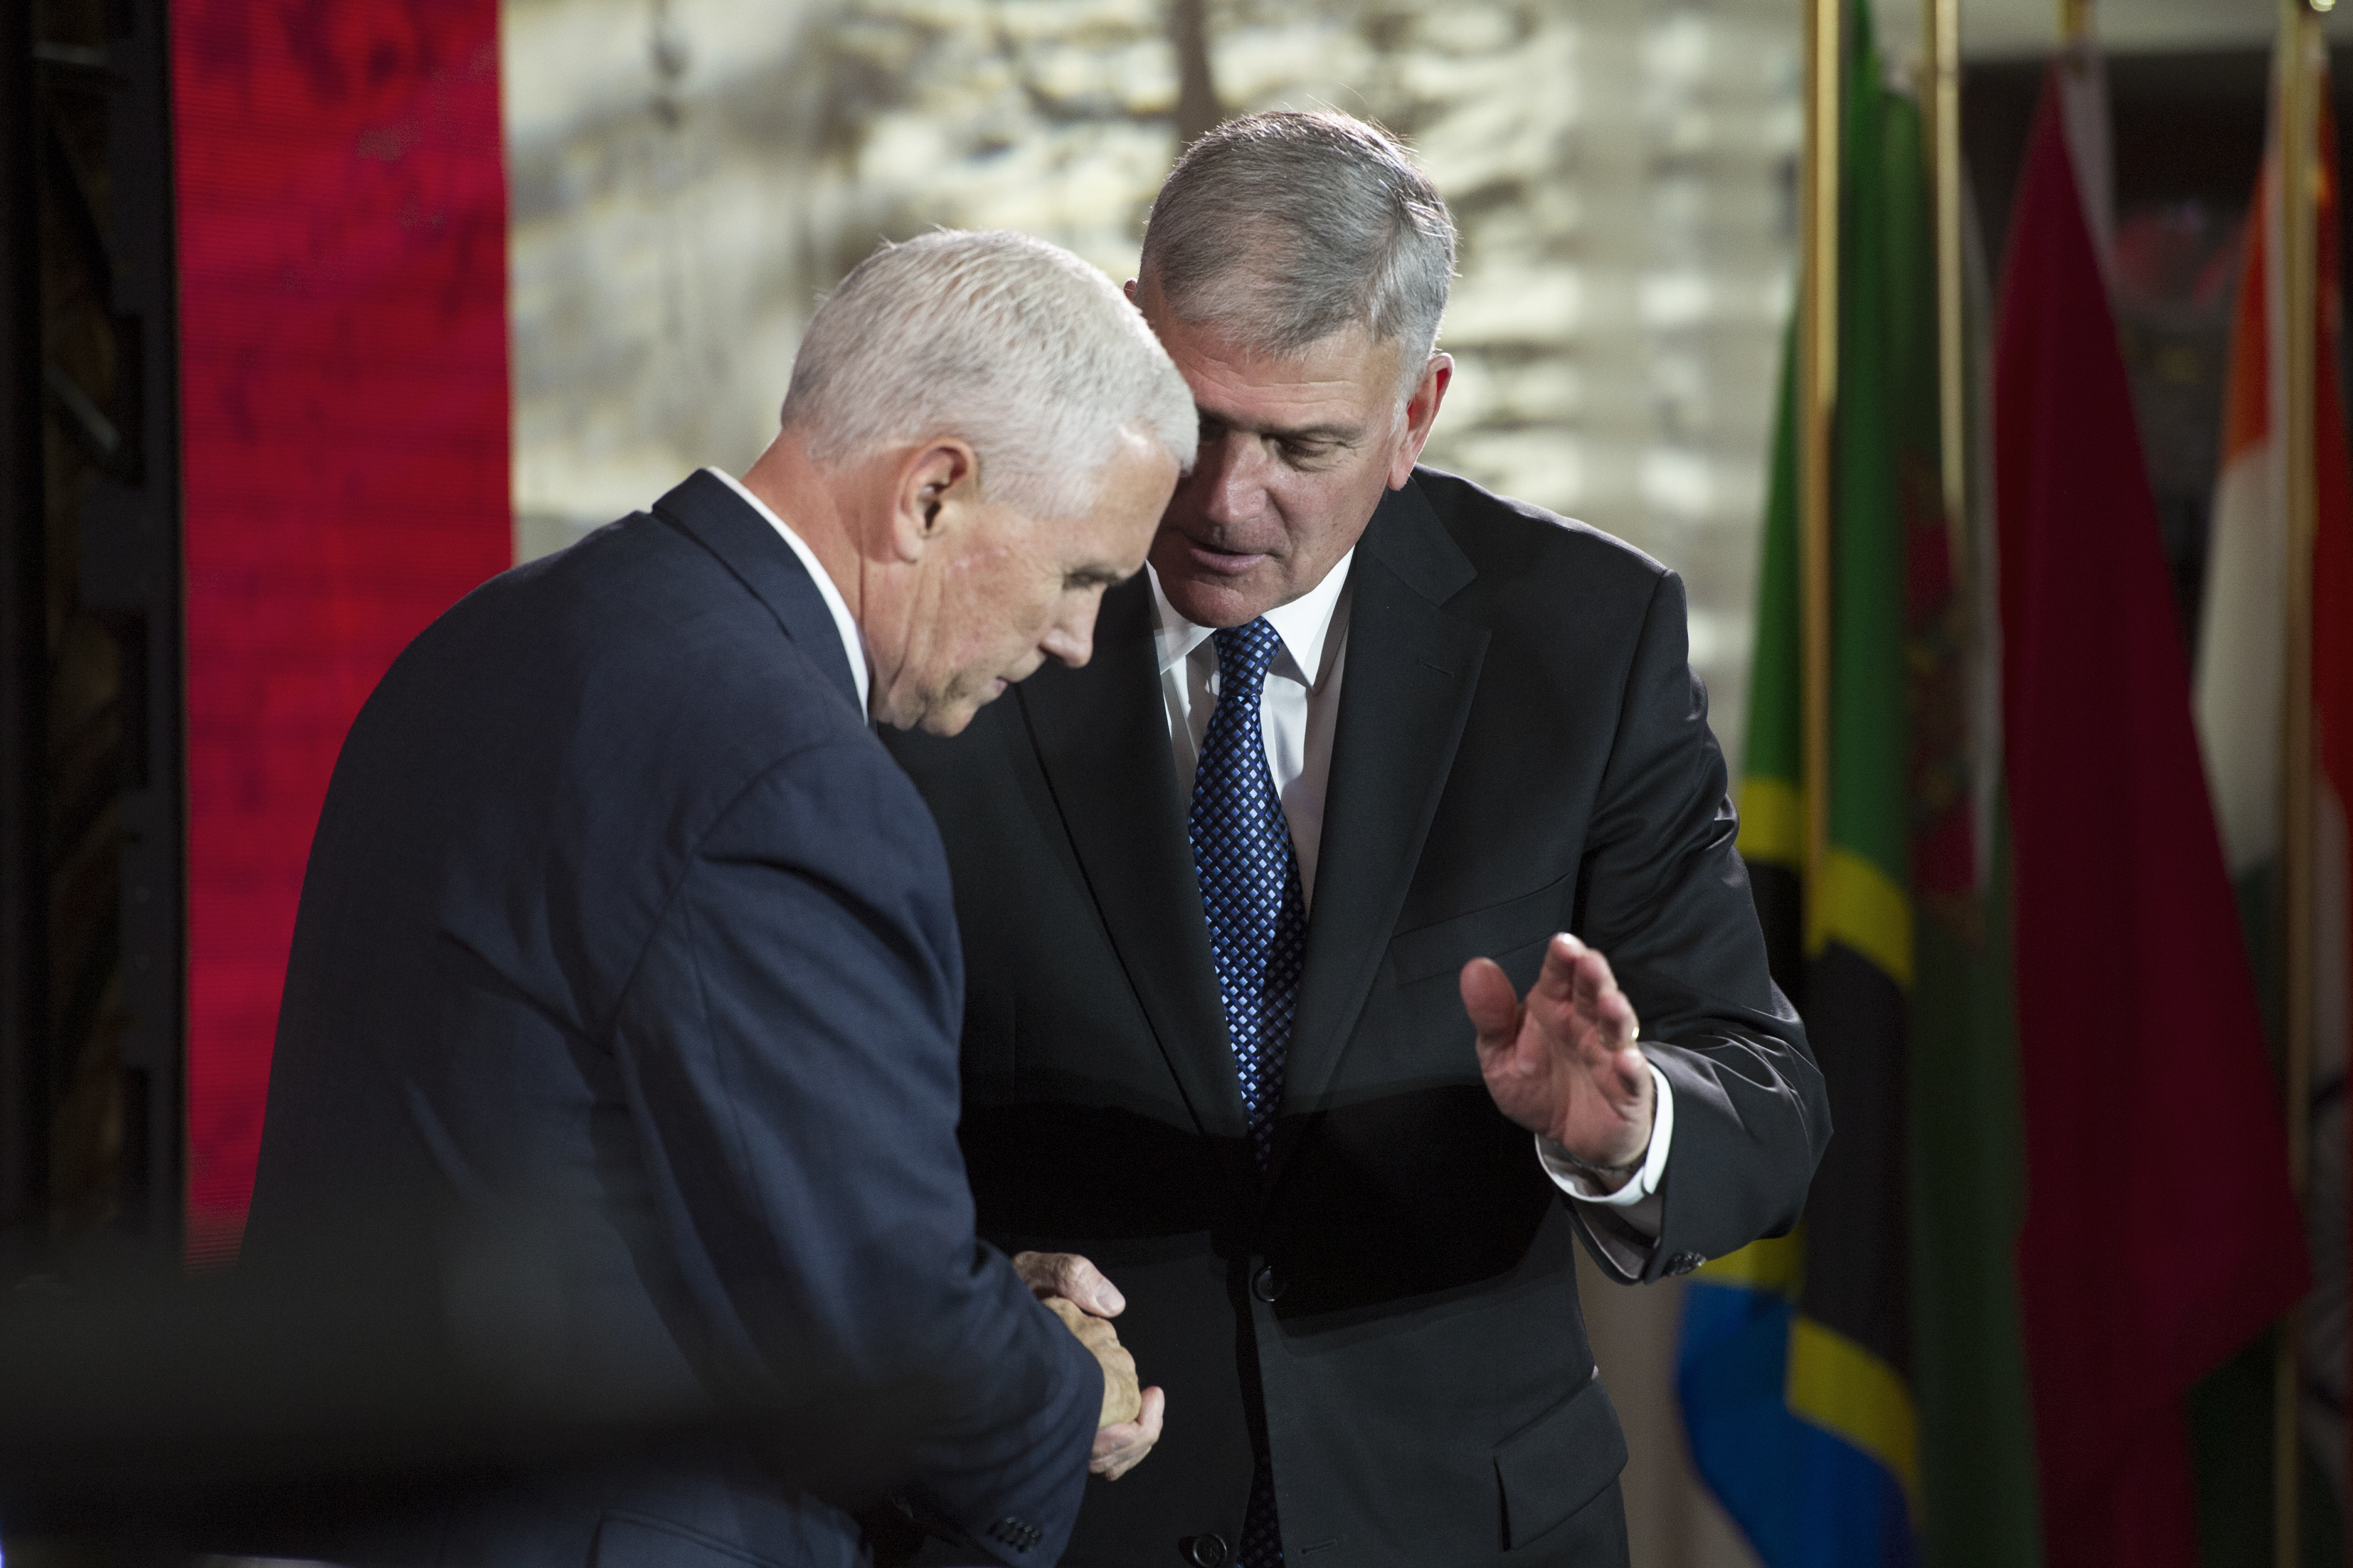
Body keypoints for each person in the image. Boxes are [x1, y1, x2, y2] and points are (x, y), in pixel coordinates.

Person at [881, 115, 1830, 1567]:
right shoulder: (953, 621)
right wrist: (967, 1293)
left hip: (1467, 1521)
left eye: (1301, 444)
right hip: (1061, 1515)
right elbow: (832, 1095)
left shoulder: (1580, 636)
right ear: (1131, 334)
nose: (1224, 496)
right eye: (1198, 420)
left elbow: (1763, 1091)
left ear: (1417, 413)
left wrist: (1629, 1131)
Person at [243, 230, 1197, 1568]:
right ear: (931, 493)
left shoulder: (485, 638)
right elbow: (878, 1317)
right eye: (1081, 575)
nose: (1075, 640)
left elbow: (637, 1177)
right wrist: (1067, 1390)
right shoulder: (789, 776)